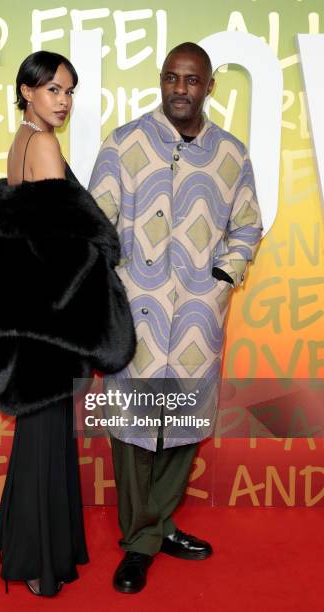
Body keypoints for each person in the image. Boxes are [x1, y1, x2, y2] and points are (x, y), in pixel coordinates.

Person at [0, 51, 135, 597]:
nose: (64, 101)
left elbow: (26, 235)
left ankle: (25, 546)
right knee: (46, 438)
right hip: (50, 327)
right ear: (27, 90)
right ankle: (38, 564)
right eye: (54, 89)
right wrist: (96, 261)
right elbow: (63, 250)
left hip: (28, 322)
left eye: (70, 92)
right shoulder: (46, 145)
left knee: (36, 437)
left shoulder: (20, 141)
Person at [89, 42, 263, 594]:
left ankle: (154, 527)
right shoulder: (125, 143)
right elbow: (96, 224)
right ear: (161, 82)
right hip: (136, 316)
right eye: (171, 77)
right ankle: (142, 541)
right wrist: (114, 287)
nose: (180, 89)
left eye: (192, 80)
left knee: (185, 427)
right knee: (132, 431)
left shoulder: (231, 155)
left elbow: (248, 226)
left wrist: (222, 280)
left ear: (209, 87)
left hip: (196, 317)